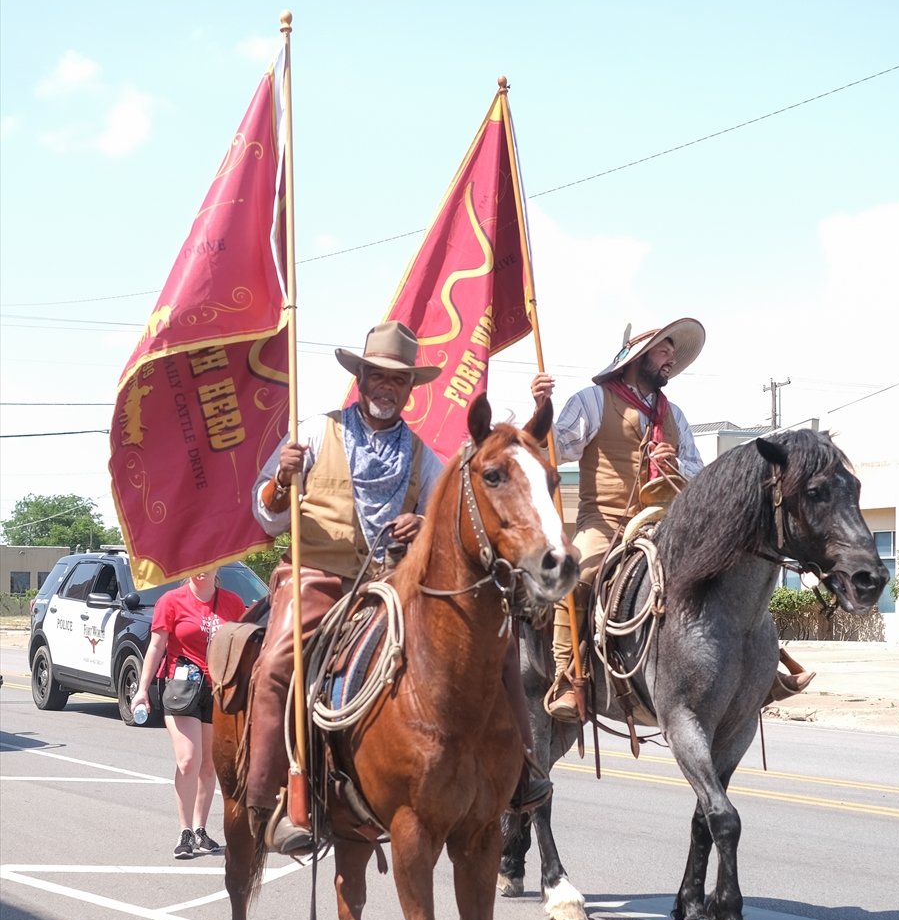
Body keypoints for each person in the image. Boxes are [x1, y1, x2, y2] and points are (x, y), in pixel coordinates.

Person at [247, 319, 551, 856]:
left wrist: (421, 528)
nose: (387, 388)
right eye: (377, 376)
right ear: (360, 378)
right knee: (276, 665)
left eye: (398, 381)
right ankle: (271, 800)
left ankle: (524, 771)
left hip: (392, 584)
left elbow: (448, 525)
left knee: (502, 650)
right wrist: (280, 483)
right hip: (319, 576)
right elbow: (266, 519)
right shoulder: (316, 433)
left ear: (410, 389)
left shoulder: (422, 456)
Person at [532, 319, 708, 720]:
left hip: (666, 524)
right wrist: (543, 409)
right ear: (637, 358)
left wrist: (676, 463)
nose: (670, 360)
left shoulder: (674, 416)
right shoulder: (594, 401)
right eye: (663, 351)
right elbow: (556, 450)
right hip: (605, 523)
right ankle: (566, 679)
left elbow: (700, 473)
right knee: (574, 578)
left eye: (671, 353)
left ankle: (760, 667)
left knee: (724, 569)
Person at [131, 567, 246, 858]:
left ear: (218, 566)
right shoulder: (171, 601)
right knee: (188, 760)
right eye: (195, 566)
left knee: (208, 765)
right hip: (182, 689)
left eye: (207, 565)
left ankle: (200, 829)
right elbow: (156, 647)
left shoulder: (232, 602)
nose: (201, 571)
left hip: (218, 691)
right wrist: (142, 690)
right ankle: (184, 831)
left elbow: (243, 647)